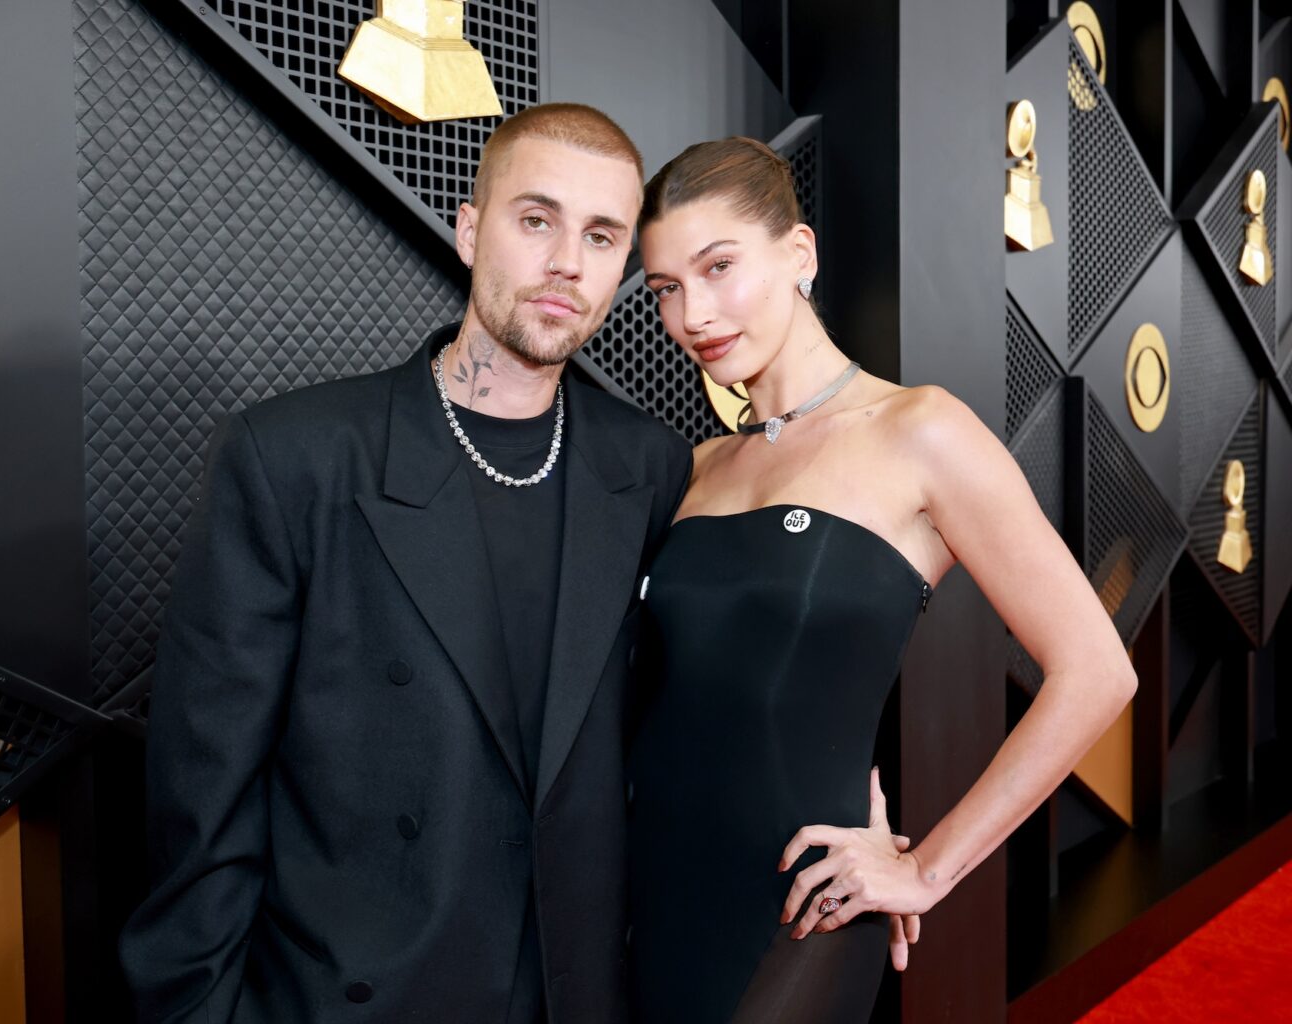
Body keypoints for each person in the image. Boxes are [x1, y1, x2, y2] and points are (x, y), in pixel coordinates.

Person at [117, 103, 693, 1024]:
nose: (566, 264)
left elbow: (681, 730)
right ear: (470, 229)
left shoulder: (653, 467)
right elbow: (205, 795)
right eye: (535, 219)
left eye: (601, 236)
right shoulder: (296, 456)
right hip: (354, 995)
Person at [625, 137, 1137, 1023]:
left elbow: (1098, 670)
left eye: (717, 268)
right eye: (667, 288)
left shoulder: (921, 430)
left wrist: (922, 868)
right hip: (649, 892)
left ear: (800, 254)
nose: (690, 314)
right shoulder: (698, 465)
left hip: (804, 908)